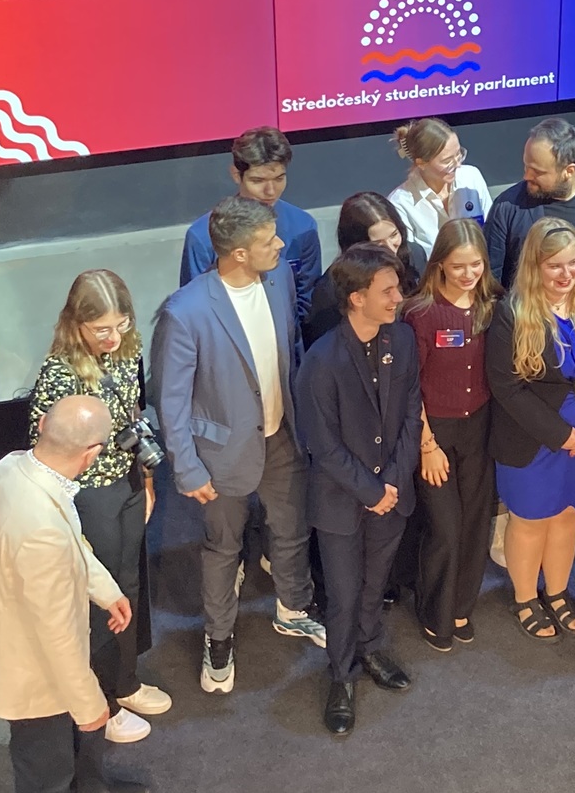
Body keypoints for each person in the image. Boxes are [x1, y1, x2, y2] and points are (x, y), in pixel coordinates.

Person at [0, 395, 145, 793]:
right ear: (93, 453)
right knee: (43, 756)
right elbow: (56, 637)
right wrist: (89, 705)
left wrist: (105, 590)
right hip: (28, 660)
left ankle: (87, 787)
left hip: (26, 634)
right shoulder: (39, 527)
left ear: (43, 424)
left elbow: (73, 544)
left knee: (65, 740)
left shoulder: (13, 469)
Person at [151, 196, 326, 698]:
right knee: (223, 547)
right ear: (239, 253)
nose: (281, 245)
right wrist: (188, 469)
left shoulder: (279, 278)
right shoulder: (184, 312)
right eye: (269, 240)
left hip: (283, 435)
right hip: (219, 456)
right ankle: (219, 637)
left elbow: (289, 351)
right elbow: (170, 401)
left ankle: (293, 608)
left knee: (291, 529)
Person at [26, 271, 169, 746]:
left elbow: (134, 417)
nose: (113, 337)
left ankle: (125, 682)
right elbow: (42, 449)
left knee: (128, 587)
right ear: (77, 323)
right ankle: (99, 703)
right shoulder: (59, 373)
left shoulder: (127, 352)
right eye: (101, 329)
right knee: (98, 598)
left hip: (127, 483)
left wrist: (146, 481)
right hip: (89, 494)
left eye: (121, 324)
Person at [295, 243, 422, 737]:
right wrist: (372, 491)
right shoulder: (321, 361)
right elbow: (322, 445)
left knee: (374, 584)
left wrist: (394, 480)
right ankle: (341, 674)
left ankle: (369, 648)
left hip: (391, 492)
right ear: (356, 298)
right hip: (342, 501)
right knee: (344, 595)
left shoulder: (403, 340)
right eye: (387, 291)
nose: (397, 298)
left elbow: (411, 413)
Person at [488, 218, 575, 643]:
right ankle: (526, 598)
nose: (566, 274)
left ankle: (557, 592)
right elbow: (506, 386)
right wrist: (560, 435)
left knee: (566, 515)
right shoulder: (512, 313)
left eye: (572, 262)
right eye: (554, 266)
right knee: (529, 521)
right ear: (534, 266)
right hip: (532, 438)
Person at [402, 218, 500, 651]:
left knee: (476, 521)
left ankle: (462, 605)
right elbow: (409, 388)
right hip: (435, 431)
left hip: (479, 427)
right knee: (445, 527)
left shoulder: (492, 305)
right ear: (439, 264)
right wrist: (427, 445)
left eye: (475, 264)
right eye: (458, 266)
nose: (468, 274)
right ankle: (435, 611)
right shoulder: (420, 313)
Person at [179, 127, 323, 323]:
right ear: (236, 174)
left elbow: (307, 302)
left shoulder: (303, 227)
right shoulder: (202, 237)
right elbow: (194, 308)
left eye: (279, 178)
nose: (270, 191)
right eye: (258, 180)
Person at [486, 116, 575, 290]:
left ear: (568, 171)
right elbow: (492, 278)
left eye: (537, 172)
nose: (526, 176)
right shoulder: (507, 208)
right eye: (526, 166)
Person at [304, 191, 425, 345]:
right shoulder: (331, 288)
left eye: (394, 235)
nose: (390, 248)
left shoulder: (415, 256)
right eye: (378, 243)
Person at [388, 117, 492, 251]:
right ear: (421, 163)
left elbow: (490, 231)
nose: (457, 164)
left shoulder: (471, 177)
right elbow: (410, 259)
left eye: (458, 154)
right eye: (447, 161)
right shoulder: (400, 204)